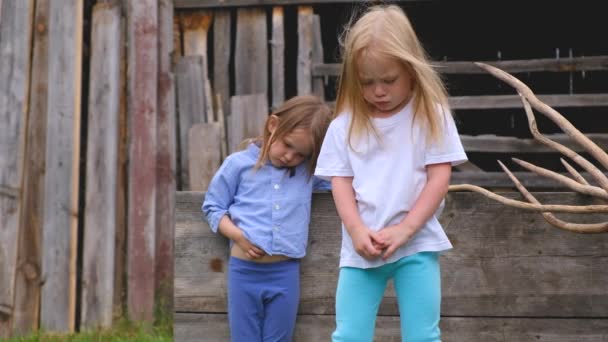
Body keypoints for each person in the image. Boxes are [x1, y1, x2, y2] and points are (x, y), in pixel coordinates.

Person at [314, 5, 468, 342]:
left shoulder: (430, 115)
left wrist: (406, 229)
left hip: (417, 245)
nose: (378, 91)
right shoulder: (344, 125)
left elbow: (439, 179)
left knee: (423, 336)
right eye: (367, 82)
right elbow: (339, 182)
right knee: (349, 335)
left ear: (411, 70)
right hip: (360, 250)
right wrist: (355, 230)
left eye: (388, 80)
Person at [202, 95, 332, 342]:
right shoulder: (237, 165)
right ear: (273, 125)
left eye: (301, 154)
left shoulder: (307, 174)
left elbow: (342, 181)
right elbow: (213, 207)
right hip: (244, 273)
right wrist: (238, 236)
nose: (290, 157)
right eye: (287, 144)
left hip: (285, 273)